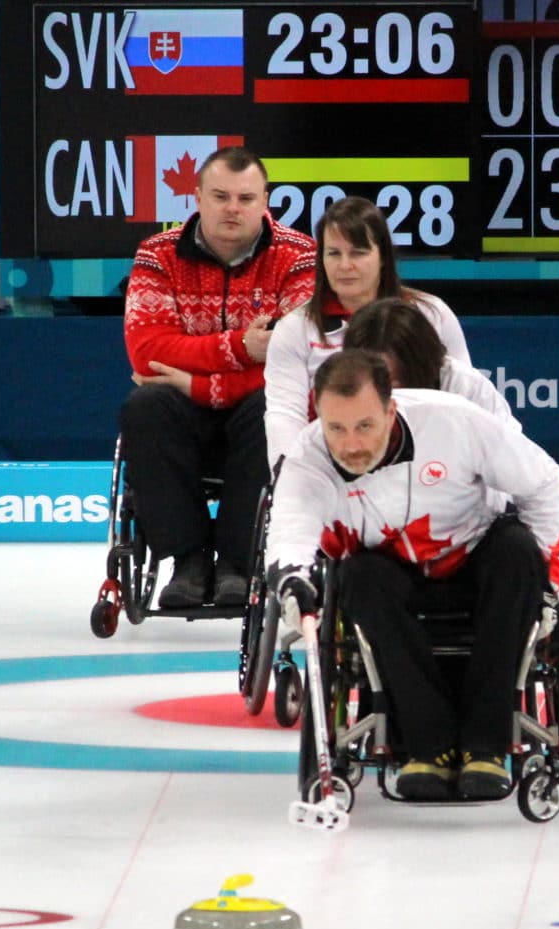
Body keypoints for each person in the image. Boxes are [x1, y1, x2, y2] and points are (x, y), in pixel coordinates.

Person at [266, 350, 559, 802]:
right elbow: (290, 532)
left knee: (518, 553)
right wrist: (293, 582)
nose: (351, 445)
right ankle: (426, 745)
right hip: (388, 574)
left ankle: (486, 745)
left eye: (365, 426)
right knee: (357, 576)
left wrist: (547, 579)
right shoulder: (308, 460)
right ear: (319, 416)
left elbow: (542, 482)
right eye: (337, 428)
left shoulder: (454, 423)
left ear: (391, 410)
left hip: (474, 555)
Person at [120, 145, 316, 609]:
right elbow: (148, 352)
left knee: (274, 403)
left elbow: (299, 359)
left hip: (253, 407)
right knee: (144, 406)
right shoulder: (157, 254)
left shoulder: (299, 256)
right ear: (197, 197)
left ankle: (236, 563)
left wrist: (204, 381)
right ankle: (187, 562)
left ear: (266, 200)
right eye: (221, 196)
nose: (233, 208)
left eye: (246, 198)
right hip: (181, 412)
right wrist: (241, 348)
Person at [263, 196, 471, 470]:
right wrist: (288, 476)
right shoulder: (295, 328)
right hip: (333, 468)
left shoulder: (431, 314)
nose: (345, 265)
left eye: (358, 253)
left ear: (383, 256)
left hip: (424, 467)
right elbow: (285, 415)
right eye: (334, 253)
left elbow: (463, 401)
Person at [343, 296, 516, 426]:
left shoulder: (465, 386)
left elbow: (515, 456)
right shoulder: (340, 392)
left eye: (395, 379)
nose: (393, 391)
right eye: (379, 381)